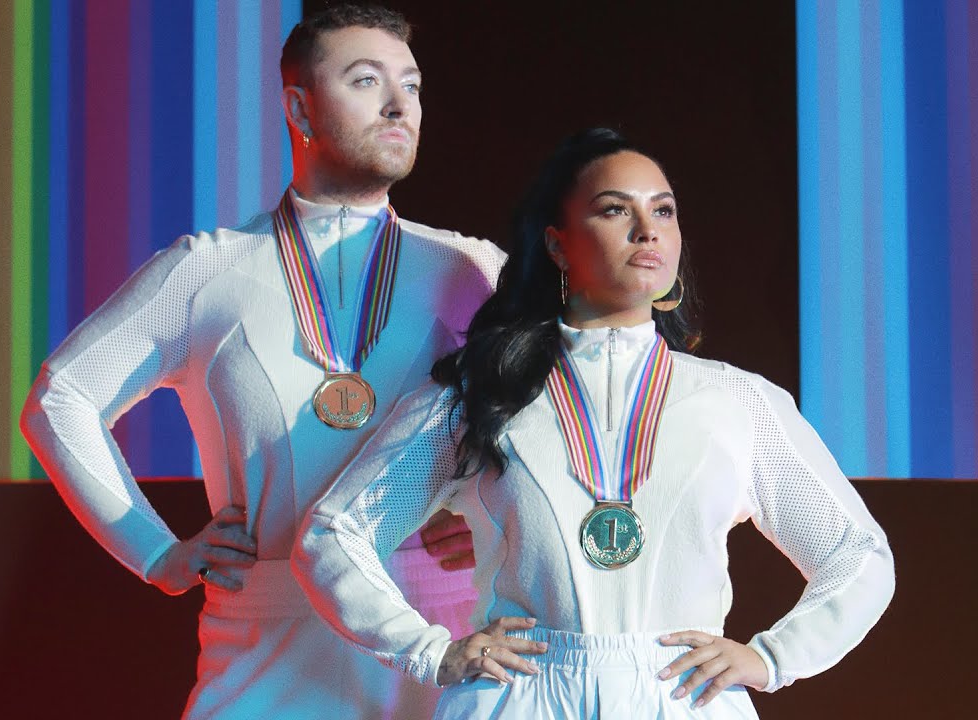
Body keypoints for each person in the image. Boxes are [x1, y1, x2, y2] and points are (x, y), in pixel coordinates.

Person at [292, 127, 896, 718]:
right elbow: (333, 535)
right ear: (557, 245)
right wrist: (430, 651)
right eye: (615, 209)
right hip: (524, 693)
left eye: (663, 210)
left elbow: (857, 555)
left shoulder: (737, 401)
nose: (647, 229)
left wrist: (772, 657)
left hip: (681, 695)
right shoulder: (483, 394)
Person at [20, 5, 504, 719]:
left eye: (412, 85)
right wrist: (156, 553)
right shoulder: (208, 270)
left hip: (433, 640)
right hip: (264, 653)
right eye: (366, 81)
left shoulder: (470, 270)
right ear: (298, 108)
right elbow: (59, 400)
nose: (399, 104)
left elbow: (556, 421)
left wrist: (484, 517)